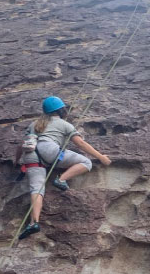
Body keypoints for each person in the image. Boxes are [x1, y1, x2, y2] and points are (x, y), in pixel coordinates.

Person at [15, 96, 112, 239]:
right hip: (50, 151)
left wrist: (17, 162)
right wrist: (101, 157)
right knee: (86, 163)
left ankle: (33, 223)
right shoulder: (64, 124)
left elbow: (20, 145)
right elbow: (81, 143)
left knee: (37, 190)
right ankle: (61, 180)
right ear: (61, 110)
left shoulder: (34, 124)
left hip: (31, 155)